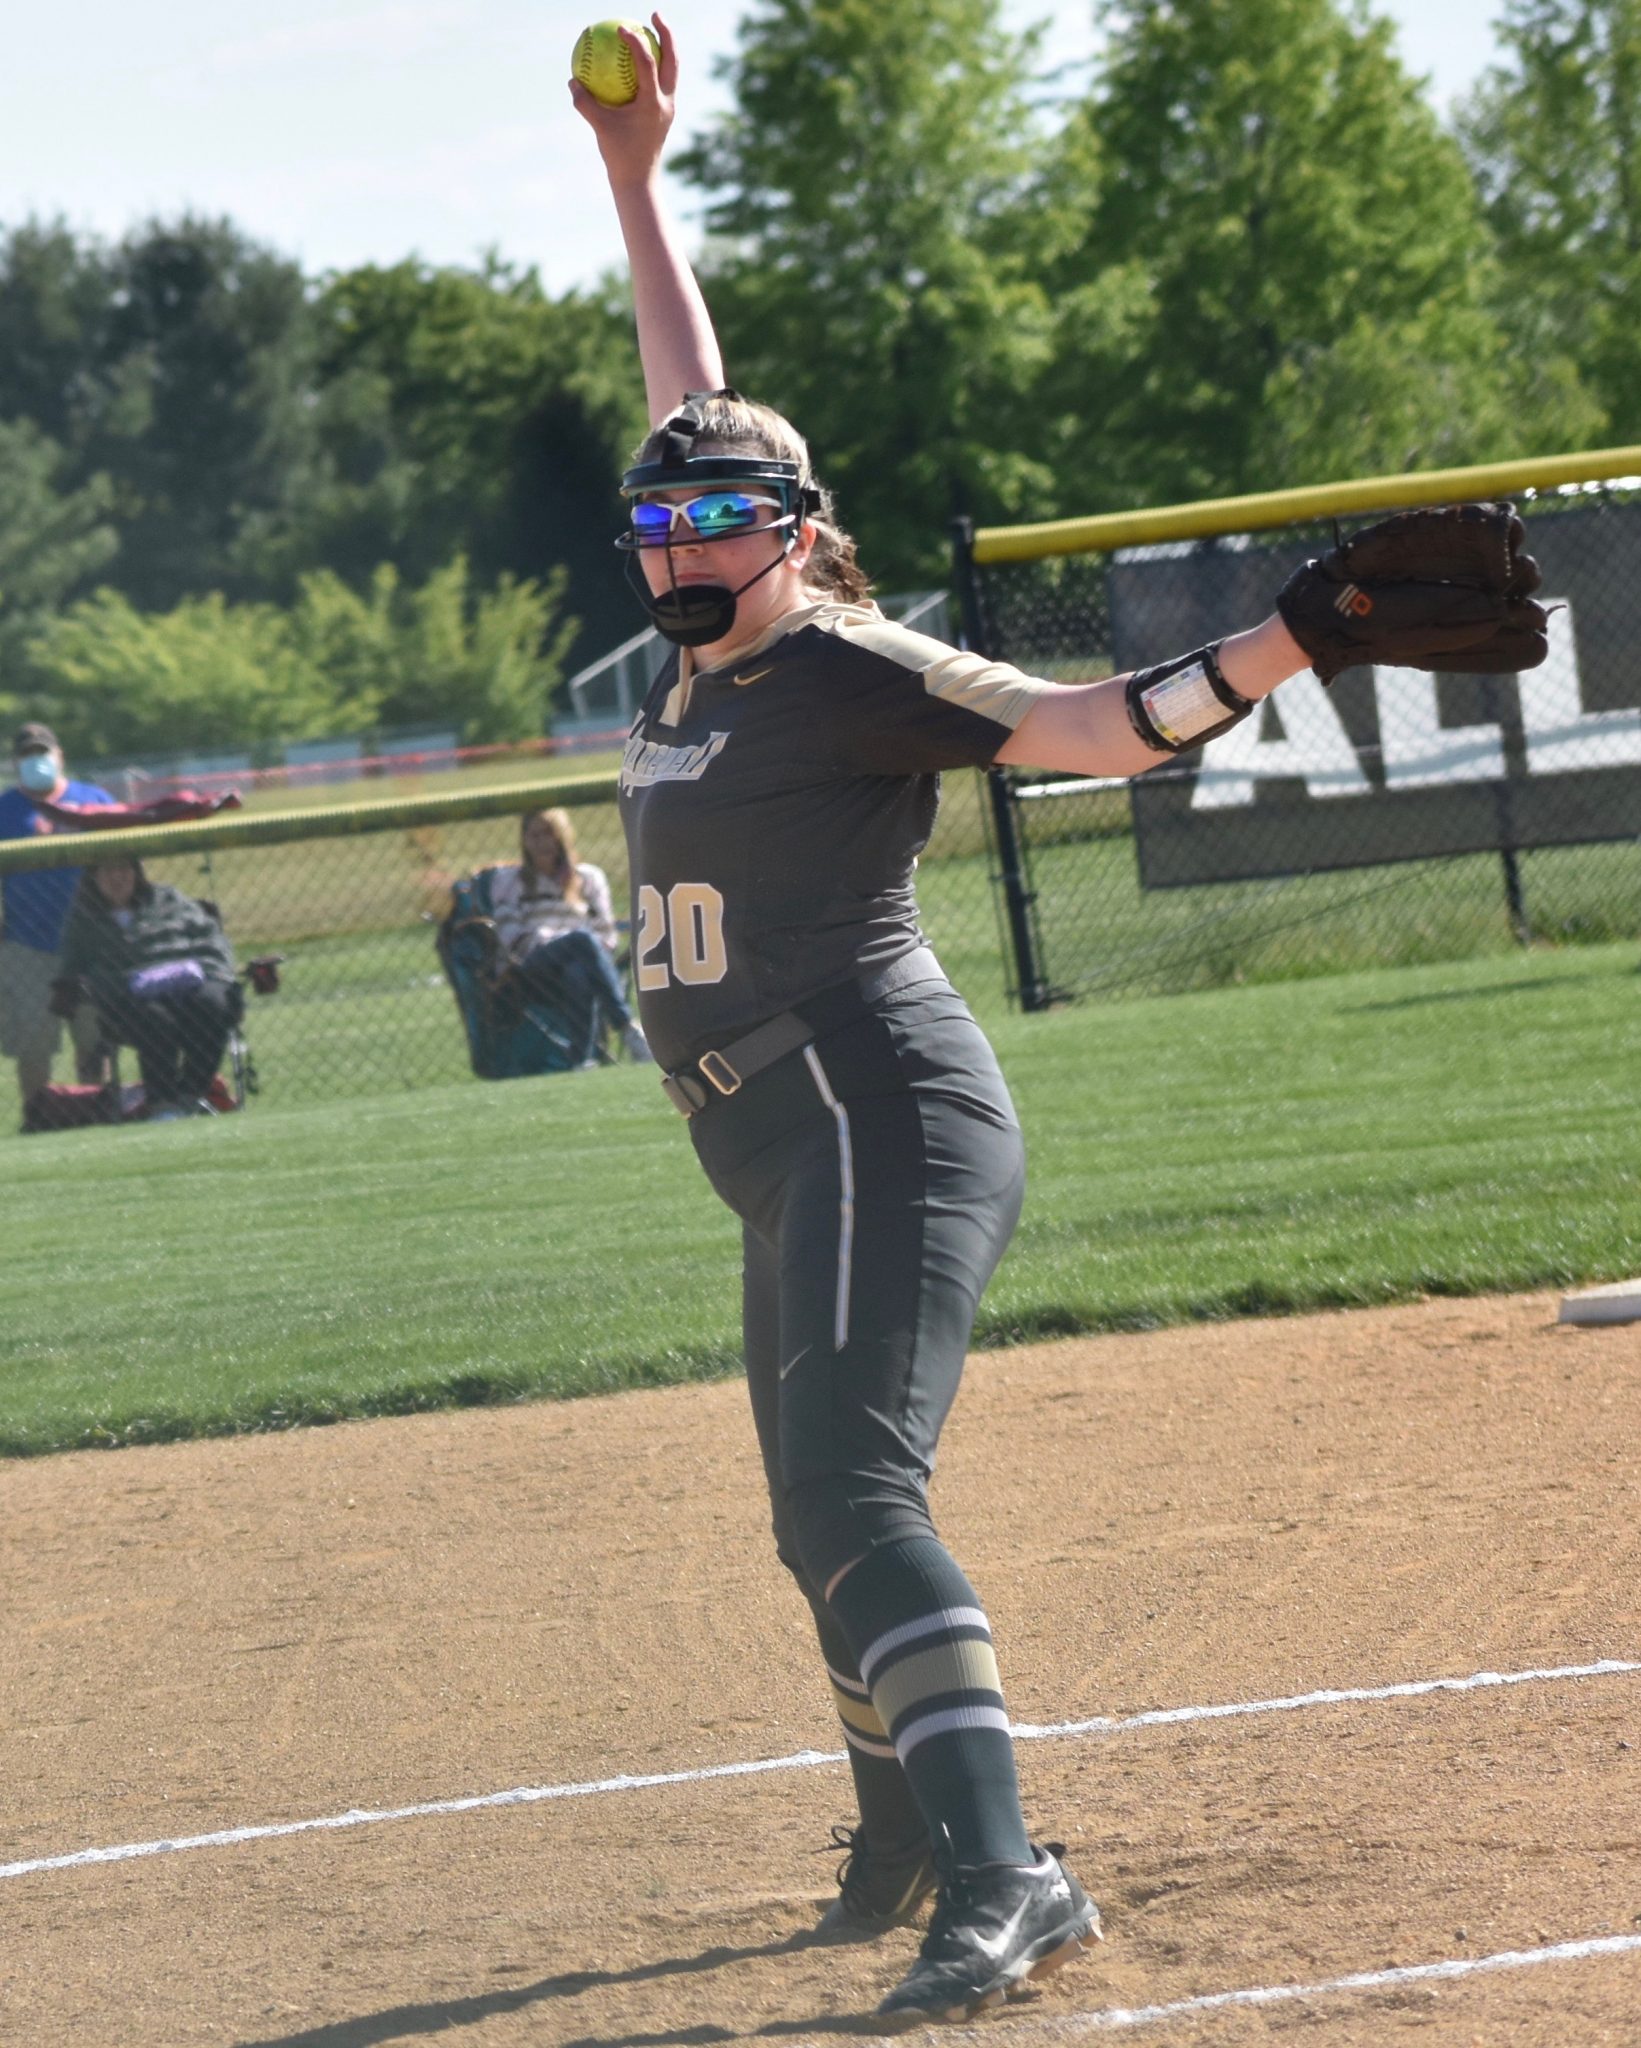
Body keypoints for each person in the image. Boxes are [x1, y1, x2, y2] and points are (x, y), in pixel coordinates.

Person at [572, 19, 1548, 2025]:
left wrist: (1299, 634)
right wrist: (633, 186)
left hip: (870, 1105)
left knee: (852, 1489)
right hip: (768, 1139)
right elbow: (700, 412)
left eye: (718, 528)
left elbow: (1083, 734)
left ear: (793, 533)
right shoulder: (704, 623)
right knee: (808, 1505)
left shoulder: (840, 660)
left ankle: (1009, 1879)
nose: (681, 548)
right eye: (659, 528)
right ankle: (904, 1825)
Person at [58, 857, 240, 1119]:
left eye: (123, 868)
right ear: (93, 877)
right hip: (130, 998)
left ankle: (191, 1095)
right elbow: (74, 969)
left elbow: (210, 941)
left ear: (136, 872)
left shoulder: (168, 899)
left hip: (187, 983)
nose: (117, 877)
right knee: (155, 1018)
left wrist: (213, 974)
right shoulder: (85, 918)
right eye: (107, 870)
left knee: (215, 1003)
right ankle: (163, 1104)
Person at [0, 723, 114, 1116]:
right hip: (26, 944)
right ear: (15, 763)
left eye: (43, 752)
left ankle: (96, 1111)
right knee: (33, 1043)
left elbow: (126, 866)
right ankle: (39, 1115)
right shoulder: (4, 810)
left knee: (94, 1037)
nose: (37, 762)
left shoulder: (93, 799)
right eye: (27, 755)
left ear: (59, 755)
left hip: (93, 942)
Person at [483, 806, 651, 1066]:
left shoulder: (589, 877)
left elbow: (606, 934)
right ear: (524, 841)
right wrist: (557, 939)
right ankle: (626, 1026)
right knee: (581, 940)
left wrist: (571, 943)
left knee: (578, 972)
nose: (541, 842)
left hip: (586, 964)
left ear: (563, 837)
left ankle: (581, 1060)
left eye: (548, 834)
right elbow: (511, 938)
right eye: (533, 835)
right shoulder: (509, 881)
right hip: (531, 969)